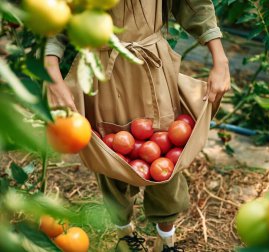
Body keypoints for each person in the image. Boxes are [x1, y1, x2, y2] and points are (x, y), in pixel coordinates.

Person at [45, 0, 230, 251]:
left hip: (153, 65)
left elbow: (193, 4)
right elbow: (58, 13)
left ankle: (166, 240)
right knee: (110, 159)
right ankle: (125, 235)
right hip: (102, 71)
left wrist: (221, 59)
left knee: (166, 155)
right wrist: (50, 66)